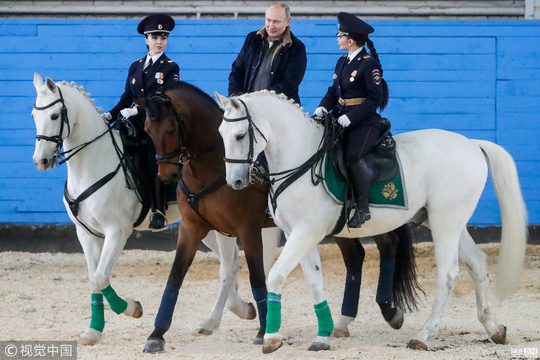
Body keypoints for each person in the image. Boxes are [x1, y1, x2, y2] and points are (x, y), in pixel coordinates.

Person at [101, 13, 180, 230]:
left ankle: (157, 210)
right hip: (132, 124)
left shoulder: (170, 67)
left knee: (151, 159)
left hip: (156, 127)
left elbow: (165, 99)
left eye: (163, 38)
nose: (159, 42)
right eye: (154, 37)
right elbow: (126, 98)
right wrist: (110, 115)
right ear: (146, 40)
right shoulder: (135, 67)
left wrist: (138, 112)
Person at [314, 12, 389, 228]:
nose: (337, 38)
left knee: (352, 156)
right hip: (339, 118)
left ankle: (362, 208)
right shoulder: (341, 62)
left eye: (340, 35)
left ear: (351, 40)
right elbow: (333, 91)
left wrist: (351, 116)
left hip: (364, 122)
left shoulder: (369, 64)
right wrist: (323, 107)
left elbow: (376, 98)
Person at [228, 2, 306, 104]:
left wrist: (261, 102)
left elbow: (288, 85)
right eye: (268, 20)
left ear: (288, 21)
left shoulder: (296, 48)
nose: (271, 26)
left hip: (280, 109)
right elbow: (237, 70)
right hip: (247, 107)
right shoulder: (252, 39)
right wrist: (236, 97)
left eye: (276, 22)